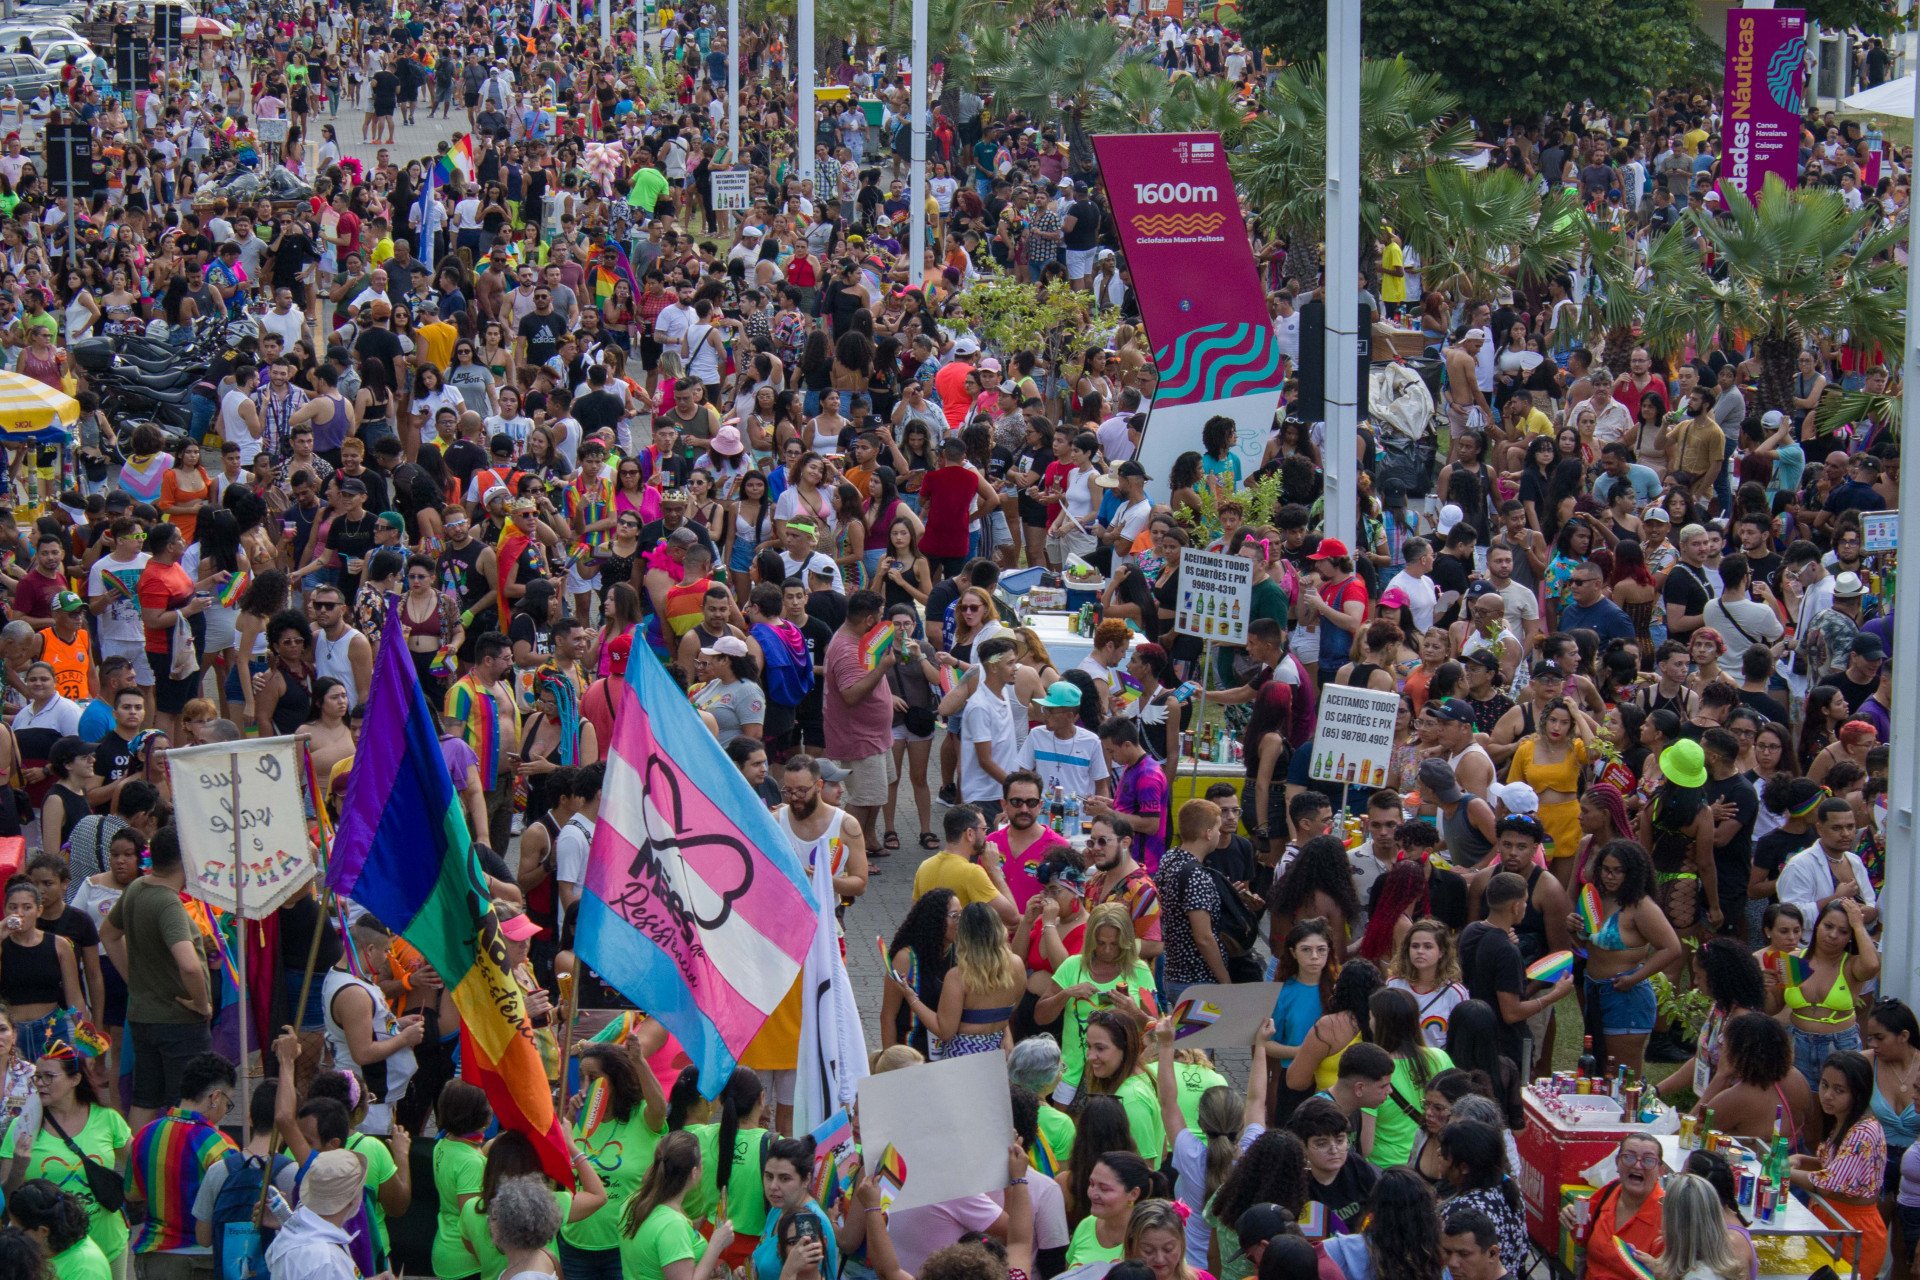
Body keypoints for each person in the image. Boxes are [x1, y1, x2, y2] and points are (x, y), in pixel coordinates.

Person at [98, 828, 213, 1131]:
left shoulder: (136, 888)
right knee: (189, 1102)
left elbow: (108, 934)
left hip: (143, 1016)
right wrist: (201, 1004)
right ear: (186, 861)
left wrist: (132, 979)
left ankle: (139, 1169)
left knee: (144, 1099)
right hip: (179, 1022)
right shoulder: (168, 904)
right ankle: (178, 1167)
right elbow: (189, 966)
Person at [125, 1052, 239, 1270]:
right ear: (215, 1097)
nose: (225, 1111)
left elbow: (132, 1194)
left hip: (152, 1258)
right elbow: (230, 1209)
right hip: (201, 1259)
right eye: (227, 1103)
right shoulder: (219, 1145)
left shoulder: (146, 1133)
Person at [1562, 1133, 1667, 1280]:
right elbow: (1584, 1238)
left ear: (1661, 1170)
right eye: (1629, 1157)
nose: (1637, 1165)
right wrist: (1571, 1217)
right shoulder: (1610, 1191)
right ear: (1617, 1163)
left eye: (1648, 1160)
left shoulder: (1668, 1217)